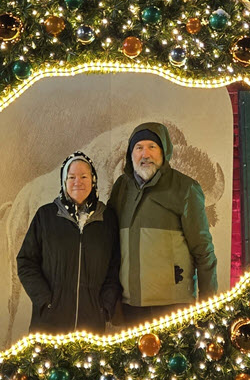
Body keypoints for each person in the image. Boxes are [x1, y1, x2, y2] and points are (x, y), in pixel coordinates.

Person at [108, 122, 218, 324]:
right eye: (139, 148)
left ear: (164, 151)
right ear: (131, 154)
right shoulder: (121, 188)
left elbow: (203, 251)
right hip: (130, 306)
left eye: (152, 146)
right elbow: (112, 246)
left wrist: (208, 309)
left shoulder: (186, 189)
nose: (145, 154)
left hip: (173, 307)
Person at [16, 152, 121, 333]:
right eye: (71, 177)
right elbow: (26, 262)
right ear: (64, 182)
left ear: (93, 180)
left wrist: (105, 306)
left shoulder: (107, 219)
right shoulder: (46, 216)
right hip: (49, 324)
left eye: (83, 176)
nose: (77, 182)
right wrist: (45, 301)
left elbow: (115, 266)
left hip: (92, 325)